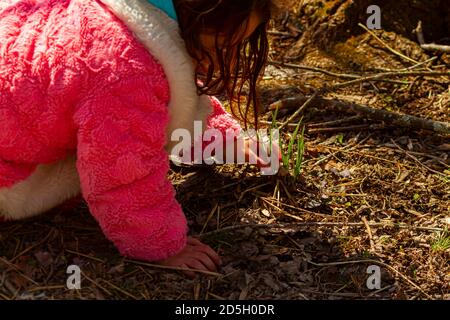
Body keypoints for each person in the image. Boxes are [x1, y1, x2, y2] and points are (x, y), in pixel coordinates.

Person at [0, 0, 276, 277]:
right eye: (224, 46)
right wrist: (162, 243)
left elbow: (153, 104)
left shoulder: (125, 24)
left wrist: (225, 140)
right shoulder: (124, 69)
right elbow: (122, 170)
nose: (228, 61)